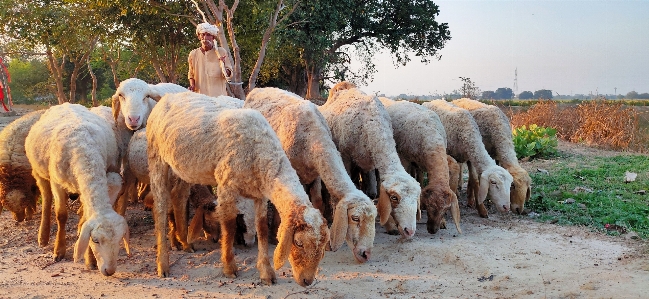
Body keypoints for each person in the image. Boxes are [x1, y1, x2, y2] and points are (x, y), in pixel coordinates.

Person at [188, 22, 233, 97]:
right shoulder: (193, 54)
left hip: (219, 97)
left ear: (213, 37)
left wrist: (223, 65)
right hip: (200, 97)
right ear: (199, 36)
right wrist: (192, 86)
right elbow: (191, 74)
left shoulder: (221, 52)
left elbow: (229, 75)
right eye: (203, 34)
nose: (205, 38)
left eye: (208, 35)